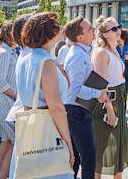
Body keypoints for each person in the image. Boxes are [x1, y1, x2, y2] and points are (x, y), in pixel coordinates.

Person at [10, 12, 74, 179]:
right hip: (48, 128)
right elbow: (57, 107)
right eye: (57, 25)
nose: (61, 27)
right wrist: (68, 143)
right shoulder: (45, 62)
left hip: (30, 126)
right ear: (48, 32)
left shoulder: (26, 57)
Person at [62, 17, 109, 179]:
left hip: (78, 110)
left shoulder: (83, 52)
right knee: (88, 156)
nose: (93, 30)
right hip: (77, 111)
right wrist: (98, 93)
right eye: (89, 29)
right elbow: (75, 89)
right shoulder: (77, 55)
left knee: (76, 156)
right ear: (79, 37)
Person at [92, 17, 128, 179]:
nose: (118, 30)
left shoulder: (114, 50)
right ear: (105, 34)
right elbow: (100, 86)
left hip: (119, 100)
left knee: (120, 144)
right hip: (107, 103)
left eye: (118, 27)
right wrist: (110, 110)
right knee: (102, 147)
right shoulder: (101, 52)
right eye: (114, 29)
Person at [0, 20, 19, 179]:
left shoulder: (11, 51)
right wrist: (19, 97)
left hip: (8, 102)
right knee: (14, 142)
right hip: (3, 103)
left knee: (7, 142)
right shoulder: (4, 52)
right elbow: (1, 83)